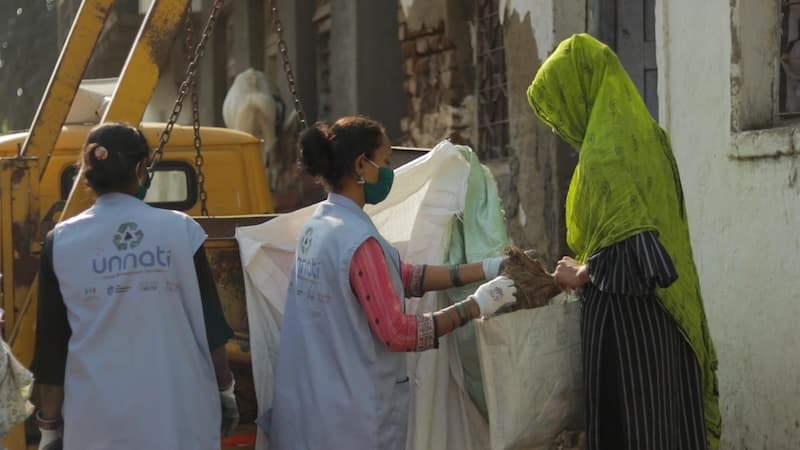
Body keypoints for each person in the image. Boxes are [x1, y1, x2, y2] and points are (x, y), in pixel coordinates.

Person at [268, 116, 517, 450]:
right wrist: (476, 306)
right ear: (361, 165)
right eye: (384, 162)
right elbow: (398, 332)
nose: (388, 172)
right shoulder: (356, 240)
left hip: (313, 406)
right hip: (351, 421)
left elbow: (405, 276)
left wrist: (487, 268)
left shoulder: (320, 225)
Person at [527, 34, 720, 450]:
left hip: (627, 327)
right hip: (667, 320)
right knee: (670, 427)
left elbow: (638, 254)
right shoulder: (648, 136)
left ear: (579, 91)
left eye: (561, 104)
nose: (560, 122)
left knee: (637, 429)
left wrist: (580, 272)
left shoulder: (603, 155)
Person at [30, 123, 239, 450]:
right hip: (179, 418)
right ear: (143, 168)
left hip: (97, 426)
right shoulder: (180, 231)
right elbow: (211, 327)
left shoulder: (61, 243)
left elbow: (52, 349)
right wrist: (225, 389)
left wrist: (49, 428)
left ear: (86, 171)